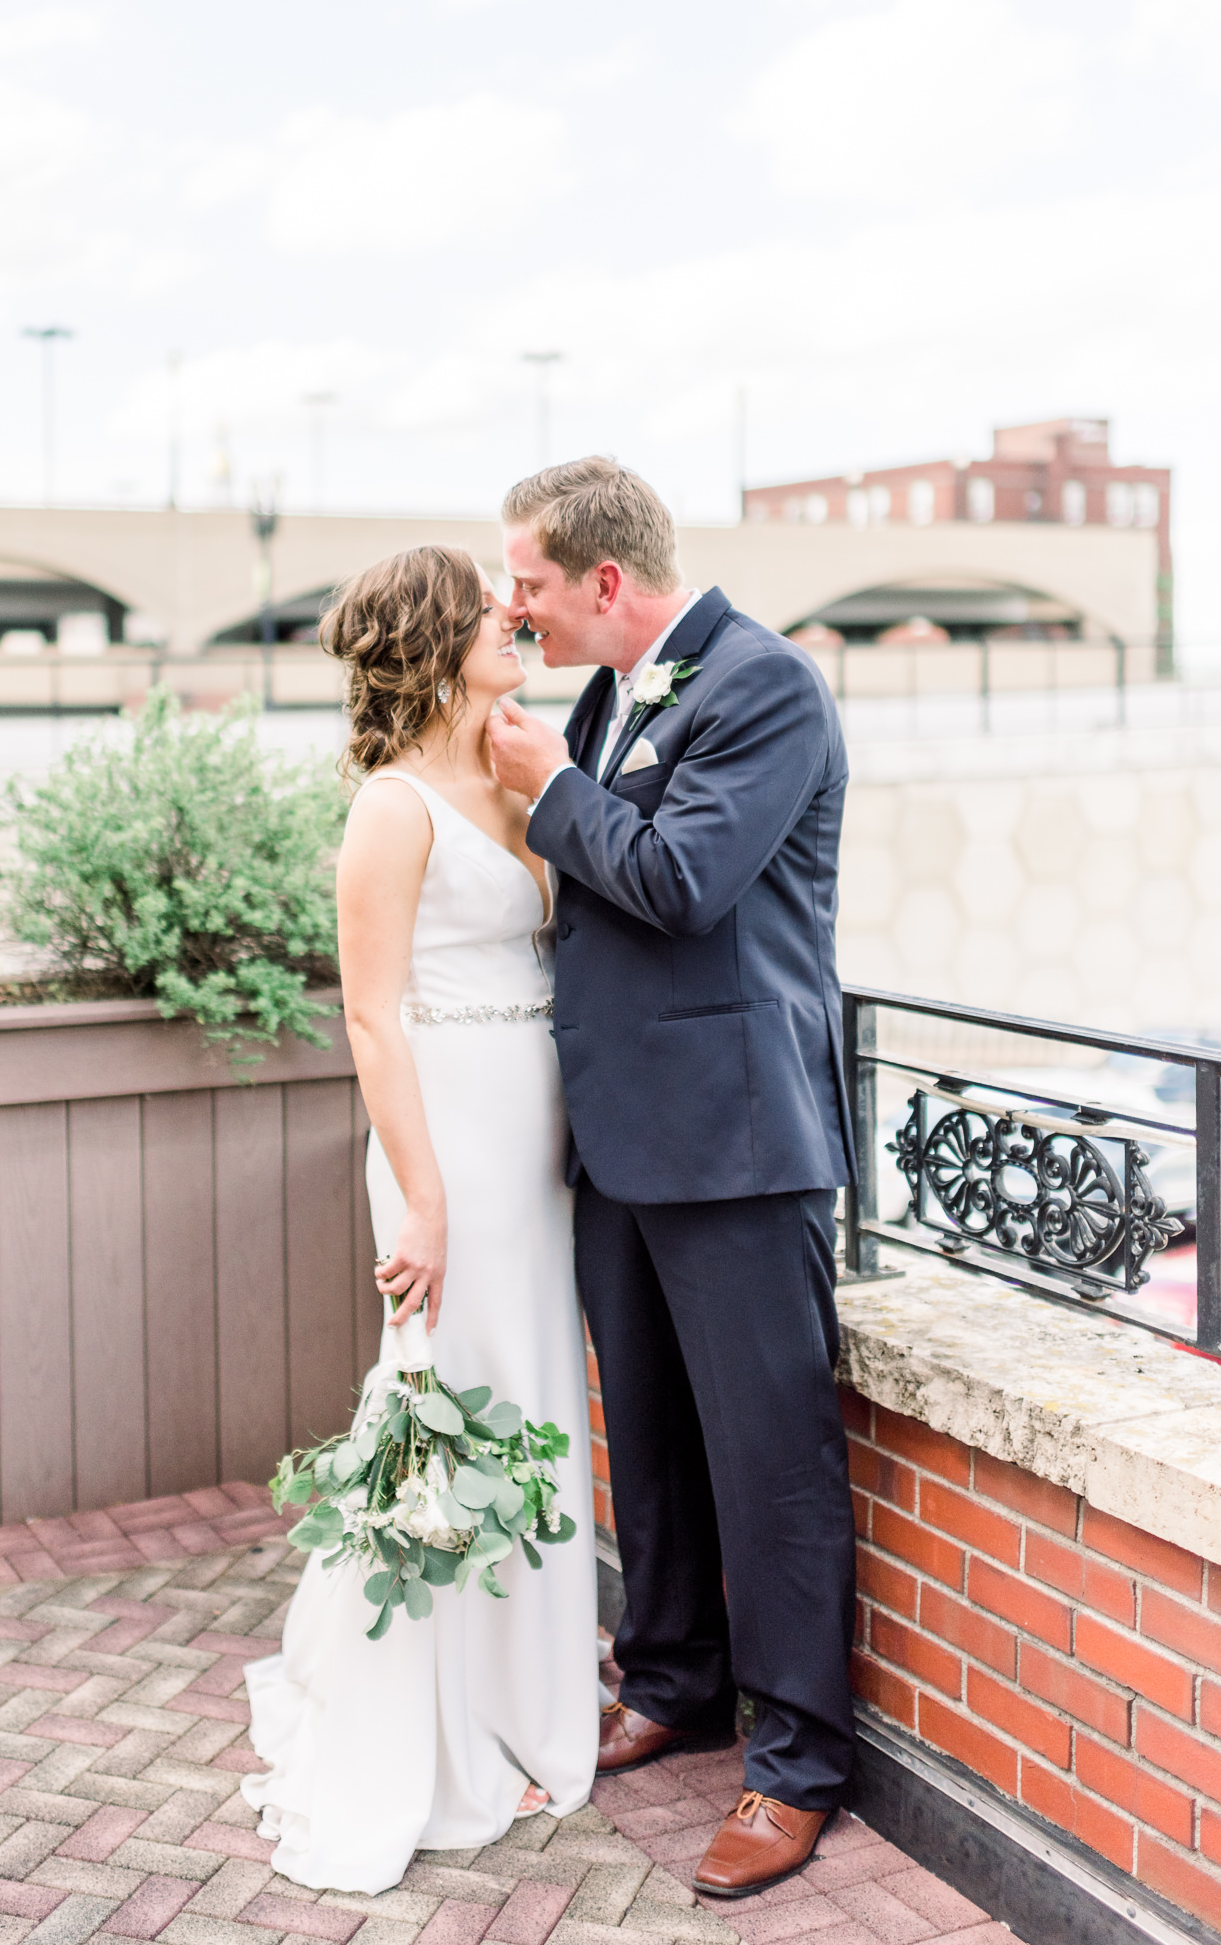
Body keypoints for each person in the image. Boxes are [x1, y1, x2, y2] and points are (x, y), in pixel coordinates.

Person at [486, 456, 858, 1899]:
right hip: (623, 1138)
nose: (513, 608)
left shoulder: (762, 685)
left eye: (526, 581)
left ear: (602, 582)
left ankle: (797, 1766)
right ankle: (674, 1677)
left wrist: (553, 789)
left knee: (769, 1463)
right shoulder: (601, 693)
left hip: (738, 1144)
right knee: (641, 1434)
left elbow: (682, 881)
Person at [240, 546, 598, 1894]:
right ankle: (432, 1729)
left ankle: (527, 1704)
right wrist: (427, 1202)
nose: (515, 618)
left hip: (535, 1135)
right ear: (439, 642)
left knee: (531, 1398)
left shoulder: (512, 768)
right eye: (490, 608)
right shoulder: (390, 809)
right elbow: (372, 1018)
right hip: (445, 1143)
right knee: (447, 1409)